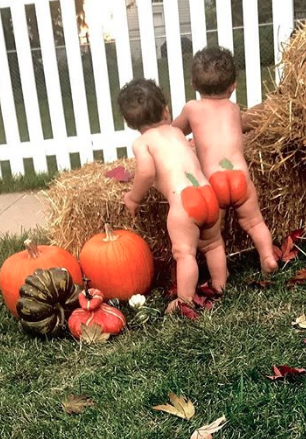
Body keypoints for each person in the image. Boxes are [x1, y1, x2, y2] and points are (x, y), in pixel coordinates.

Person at [117, 78, 228, 309]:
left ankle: (184, 300)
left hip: (185, 202)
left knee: (185, 253)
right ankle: (220, 285)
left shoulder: (142, 142)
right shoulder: (177, 133)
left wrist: (133, 197)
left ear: (129, 123)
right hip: (207, 194)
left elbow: (146, 172)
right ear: (166, 110)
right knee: (214, 244)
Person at [171, 46, 279, 277]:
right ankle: (268, 256)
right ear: (233, 86)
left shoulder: (192, 108)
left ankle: (221, 276)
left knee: (211, 237)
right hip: (240, 178)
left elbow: (173, 133)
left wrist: (190, 143)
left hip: (213, 181)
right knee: (254, 222)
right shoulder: (233, 108)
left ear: (193, 84)